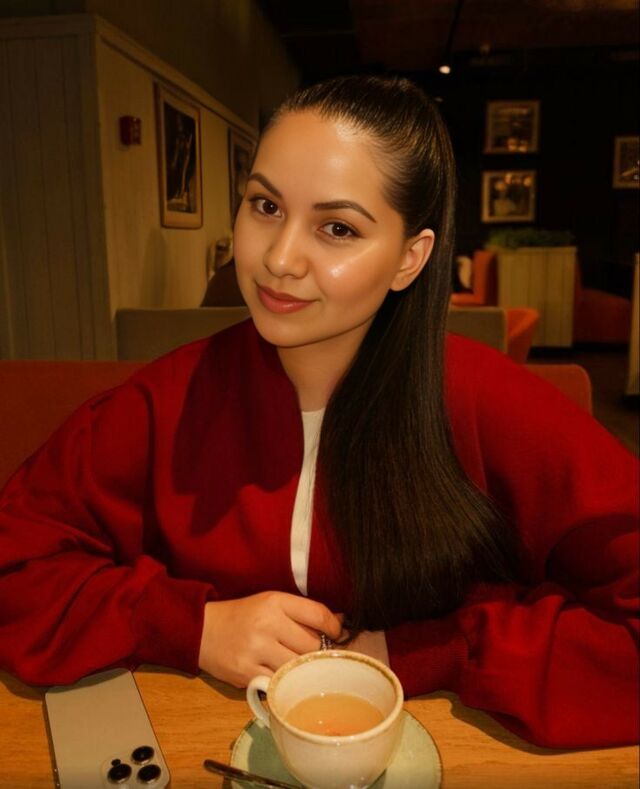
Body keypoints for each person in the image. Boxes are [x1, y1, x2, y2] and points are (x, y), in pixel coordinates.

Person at [0, 77, 637, 751]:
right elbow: (17, 561)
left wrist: (431, 649)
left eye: (337, 228)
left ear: (409, 258)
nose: (279, 259)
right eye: (265, 205)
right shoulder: (168, 399)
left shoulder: (490, 403)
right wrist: (194, 626)